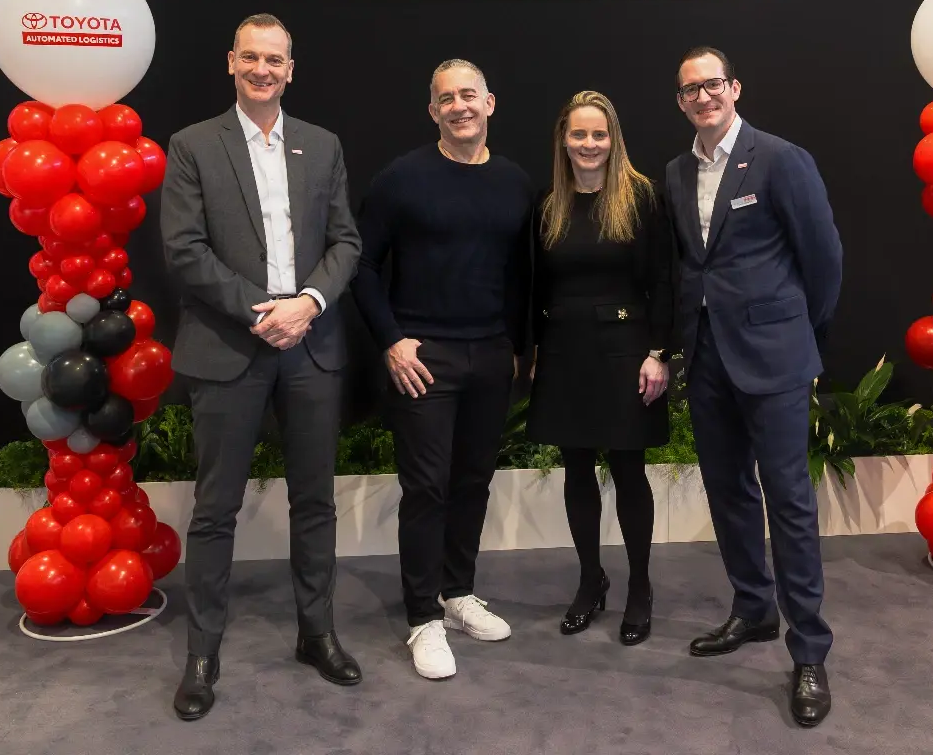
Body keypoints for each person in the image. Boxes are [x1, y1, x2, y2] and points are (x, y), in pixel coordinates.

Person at [160, 13, 363, 720]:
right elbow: (184, 250)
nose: (262, 69)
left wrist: (306, 304)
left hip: (311, 343)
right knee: (216, 509)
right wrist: (263, 312)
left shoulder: (322, 145)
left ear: (290, 69)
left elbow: (345, 242)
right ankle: (202, 654)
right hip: (229, 346)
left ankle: (317, 634)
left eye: (274, 59)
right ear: (231, 62)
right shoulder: (193, 145)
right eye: (251, 57)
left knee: (315, 501)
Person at [664, 46, 843, 728]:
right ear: (681, 101)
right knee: (728, 491)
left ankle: (810, 651)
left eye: (712, 84)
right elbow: (690, 266)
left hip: (775, 359)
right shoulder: (678, 172)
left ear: (734, 87)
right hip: (708, 357)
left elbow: (823, 259)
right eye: (690, 90)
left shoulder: (780, 159)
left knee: (789, 501)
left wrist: (799, 334)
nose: (703, 97)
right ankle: (753, 608)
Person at [351, 59, 532, 680]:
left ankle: (458, 594)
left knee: (473, 481)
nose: (460, 106)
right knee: (426, 488)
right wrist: (391, 340)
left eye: (469, 95)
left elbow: (521, 274)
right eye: (447, 98)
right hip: (423, 357)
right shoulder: (401, 179)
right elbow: (362, 266)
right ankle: (423, 617)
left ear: (490, 103)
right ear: (433, 111)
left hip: (491, 355)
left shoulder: (514, 182)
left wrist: (518, 346)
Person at [526, 90, 673, 646]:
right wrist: (534, 352)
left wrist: (658, 353)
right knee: (576, 470)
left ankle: (640, 586)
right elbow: (535, 285)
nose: (589, 144)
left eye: (598, 134)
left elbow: (665, 279)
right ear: (563, 141)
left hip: (627, 351)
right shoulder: (547, 204)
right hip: (565, 350)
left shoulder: (643, 197)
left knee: (629, 470)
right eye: (578, 134)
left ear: (614, 140)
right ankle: (591, 580)